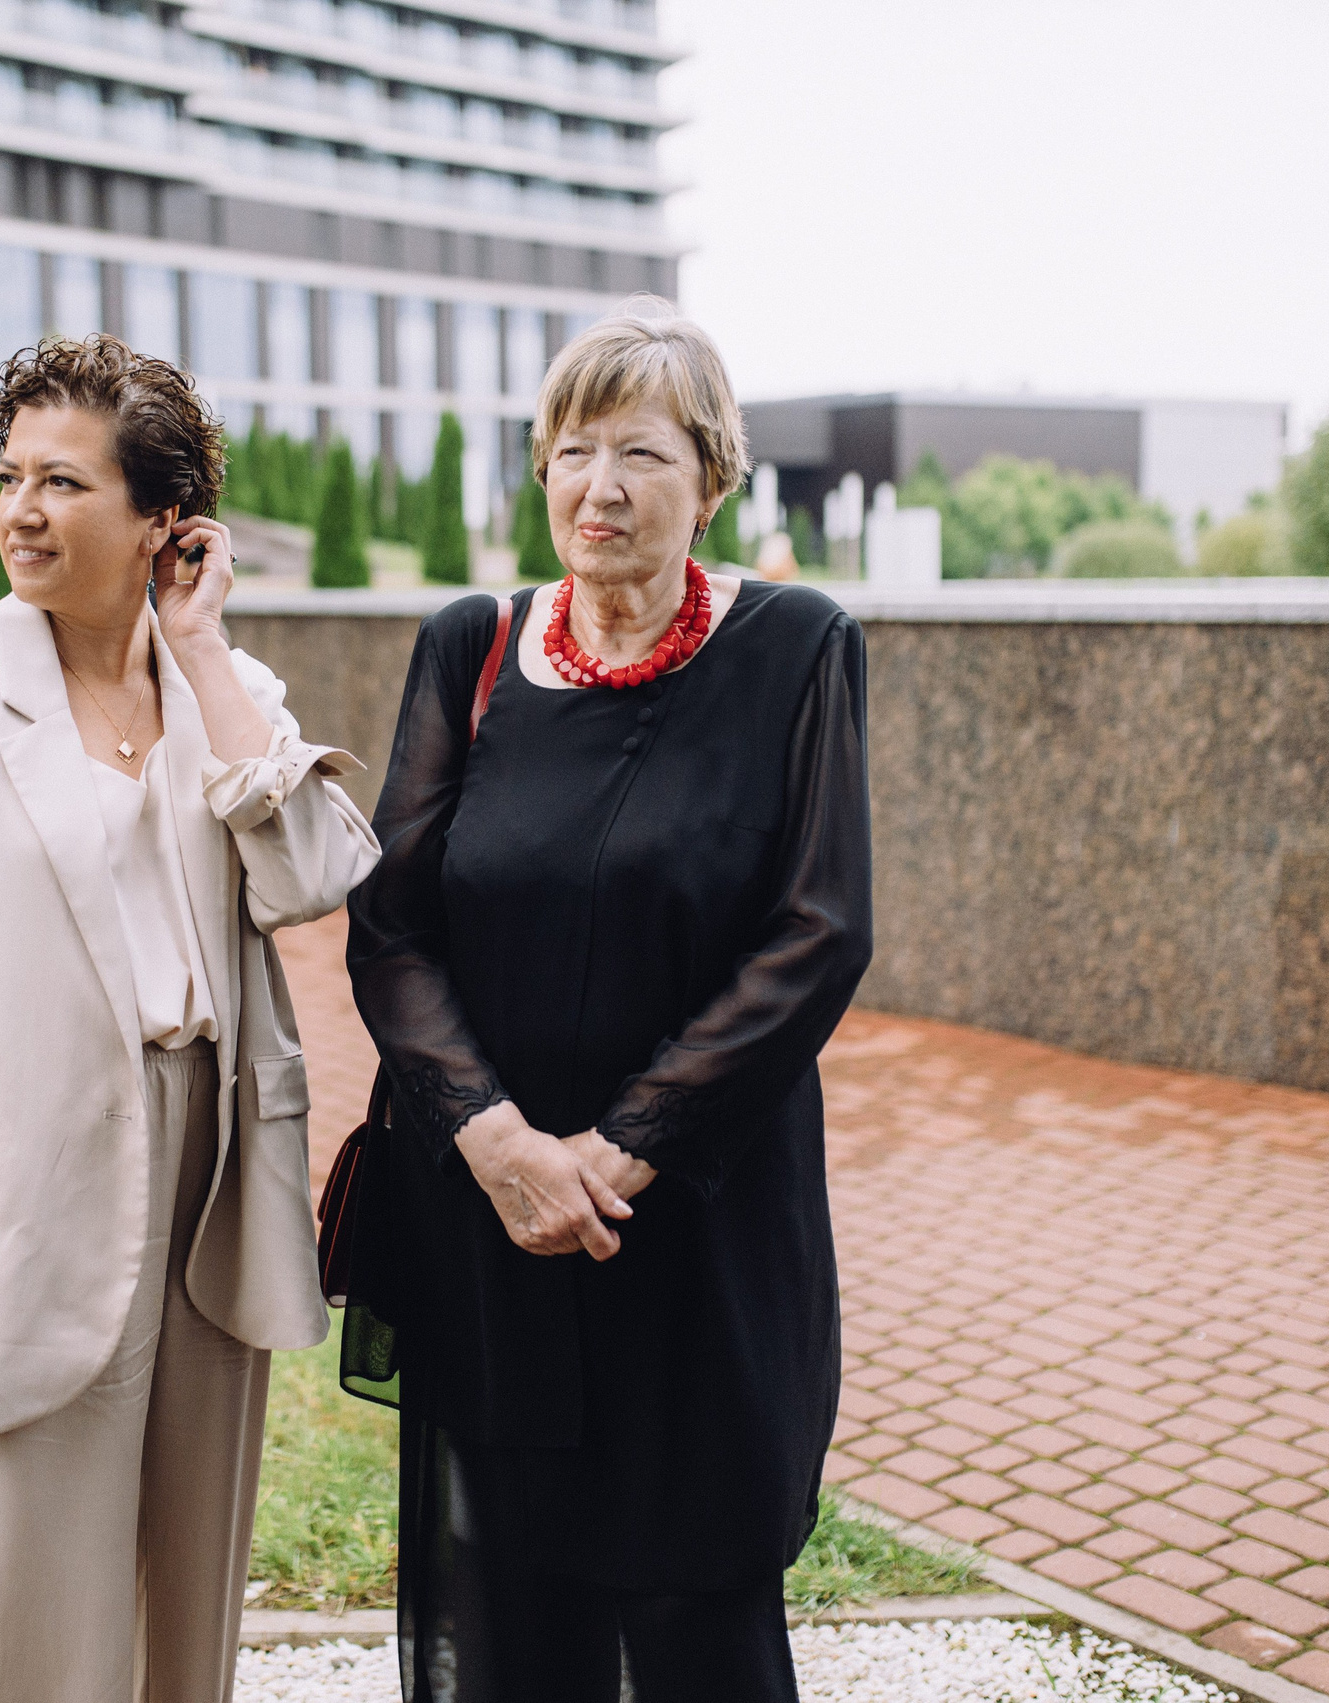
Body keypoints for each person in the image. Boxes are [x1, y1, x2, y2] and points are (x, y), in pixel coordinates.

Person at [0, 335, 380, 1703]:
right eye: (11, 477)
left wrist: (202, 649)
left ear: (168, 519)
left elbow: (314, 879)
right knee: (22, 1632)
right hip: (14, 1218)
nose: (24, 512)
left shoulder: (228, 696)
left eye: (65, 482)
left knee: (181, 1624)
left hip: (210, 1193)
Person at [346, 298, 874, 1703]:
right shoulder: (470, 649)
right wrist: (499, 1144)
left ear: (712, 475)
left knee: (702, 1616)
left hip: (692, 1219)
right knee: (517, 1614)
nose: (602, 488)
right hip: (495, 1224)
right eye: (573, 451)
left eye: (641, 453)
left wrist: (624, 1144)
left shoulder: (798, 649)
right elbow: (392, 928)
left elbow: (819, 932)